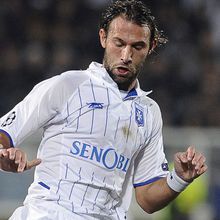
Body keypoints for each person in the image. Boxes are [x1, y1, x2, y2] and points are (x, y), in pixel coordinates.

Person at [0, 0, 207, 219]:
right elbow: (5, 132)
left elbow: (147, 199)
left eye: (137, 46)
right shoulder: (68, 85)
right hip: (49, 213)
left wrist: (180, 178)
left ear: (151, 46)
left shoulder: (149, 112)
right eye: (119, 43)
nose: (126, 56)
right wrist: (4, 155)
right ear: (103, 38)